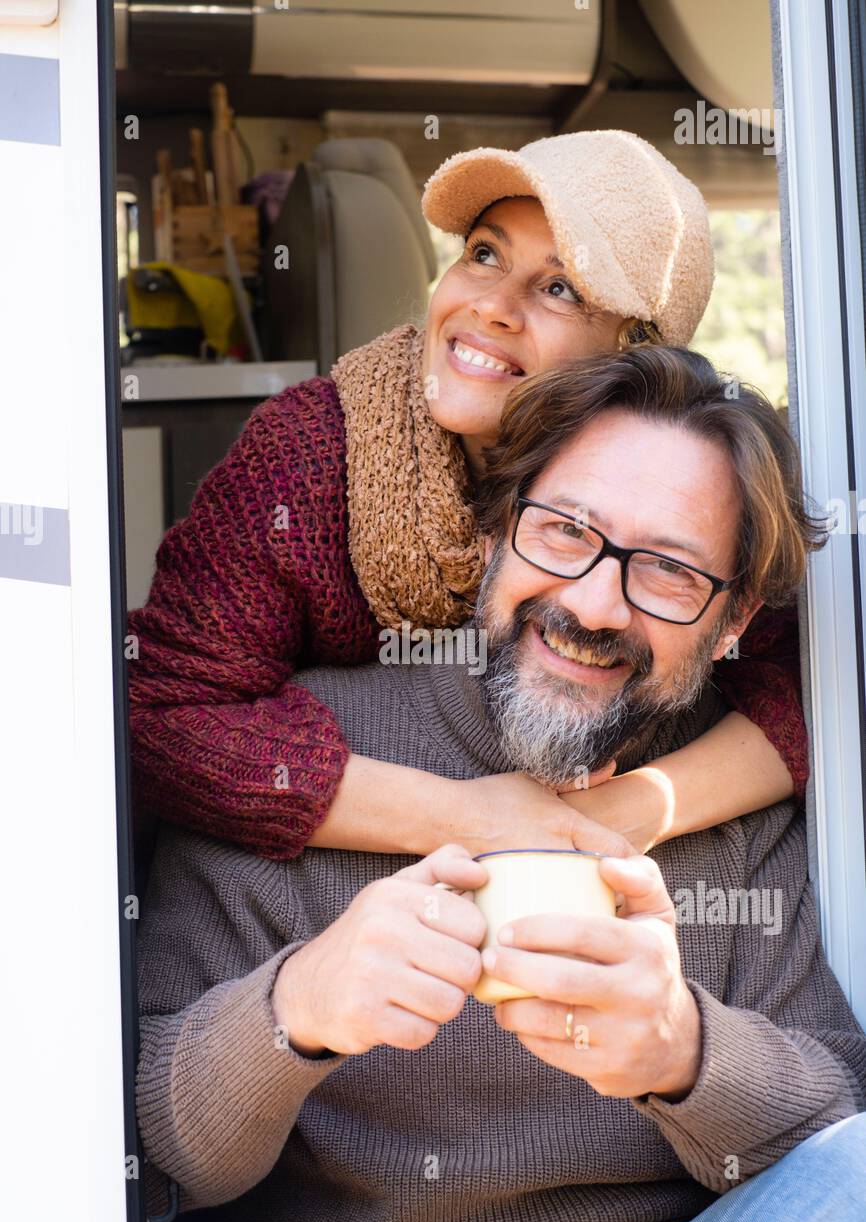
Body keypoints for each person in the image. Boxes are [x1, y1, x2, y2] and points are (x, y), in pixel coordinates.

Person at [136, 346, 866, 1222]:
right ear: (494, 536)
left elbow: (836, 1145)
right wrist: (297, 1008)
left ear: (732, 627)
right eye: (564, 532)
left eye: (671, 573)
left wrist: (684, 1052)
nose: (593, 603)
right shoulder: (307, 755)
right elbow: (149, 1158)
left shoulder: (736, 808)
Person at [126, 130, 806, 870]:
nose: (491, 307)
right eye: (484, 254)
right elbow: (156, 715)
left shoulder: (686, 504)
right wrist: (465, 817)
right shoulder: (310, 457)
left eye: (559, 288)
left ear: (634, 354)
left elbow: (813, 697)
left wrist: (624, 812)